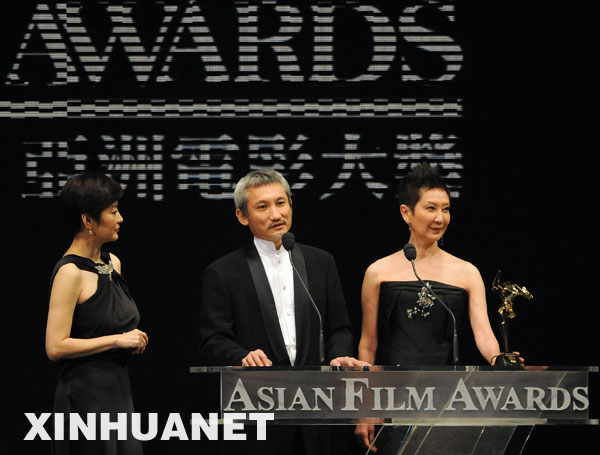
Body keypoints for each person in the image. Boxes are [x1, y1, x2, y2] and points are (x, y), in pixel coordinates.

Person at [198, 169, 365, 453]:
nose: (276, 214)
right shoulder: (224, 272)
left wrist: (337, 355)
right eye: (262, 207)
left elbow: (339, 328)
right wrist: (242, 356)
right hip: (259, 413)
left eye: (281, 203)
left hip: (316, 410)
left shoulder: (320, 262)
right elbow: (212, 339)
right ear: (242, 216)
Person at [354, 163, 506, 452]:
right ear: (406, 213)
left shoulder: (467, 272)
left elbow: (484, 334)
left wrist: (499, 358)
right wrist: (365, 406)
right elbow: (368, 345)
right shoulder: (378, 271)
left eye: (446, 209)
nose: (440, 218)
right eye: (431, 208)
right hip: (392, 398)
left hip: (447, 397)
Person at [45, 172, 148, 455]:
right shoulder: (70, 273)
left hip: (118, 392)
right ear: (88, 220)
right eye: (113, 212)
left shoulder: (112, 263)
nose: (120, 219)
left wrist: (132, 341)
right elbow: (55, 346)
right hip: (84, 398)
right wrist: (117, 340)